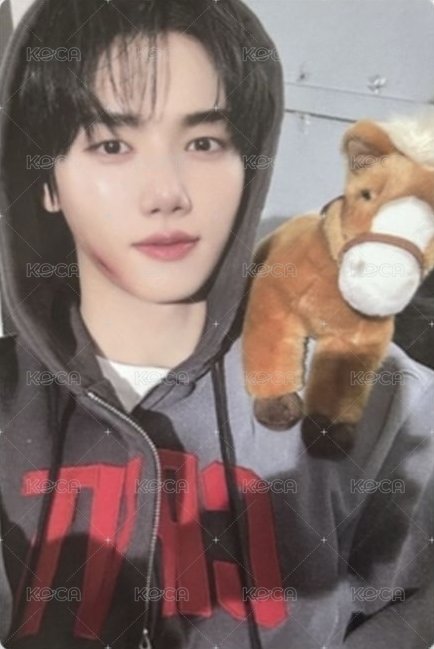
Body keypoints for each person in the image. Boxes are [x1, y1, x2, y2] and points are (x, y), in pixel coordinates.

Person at [0, 1, 433, 648]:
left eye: (204, 143)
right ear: (48, 182)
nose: (167, 192)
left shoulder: (379, 402)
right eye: (112, 145)